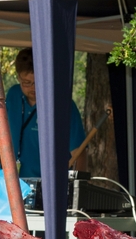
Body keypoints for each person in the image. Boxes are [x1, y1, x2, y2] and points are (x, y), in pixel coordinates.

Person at [5, 47, 85, 178]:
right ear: (18, 77)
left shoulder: (63, 104)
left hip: (55, 183)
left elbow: (79, 154)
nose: (33, 88)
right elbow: (3, 142)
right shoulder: (13, 96)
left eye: (38, 83)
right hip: (22, 182)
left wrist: (77, 189)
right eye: (27, 82)